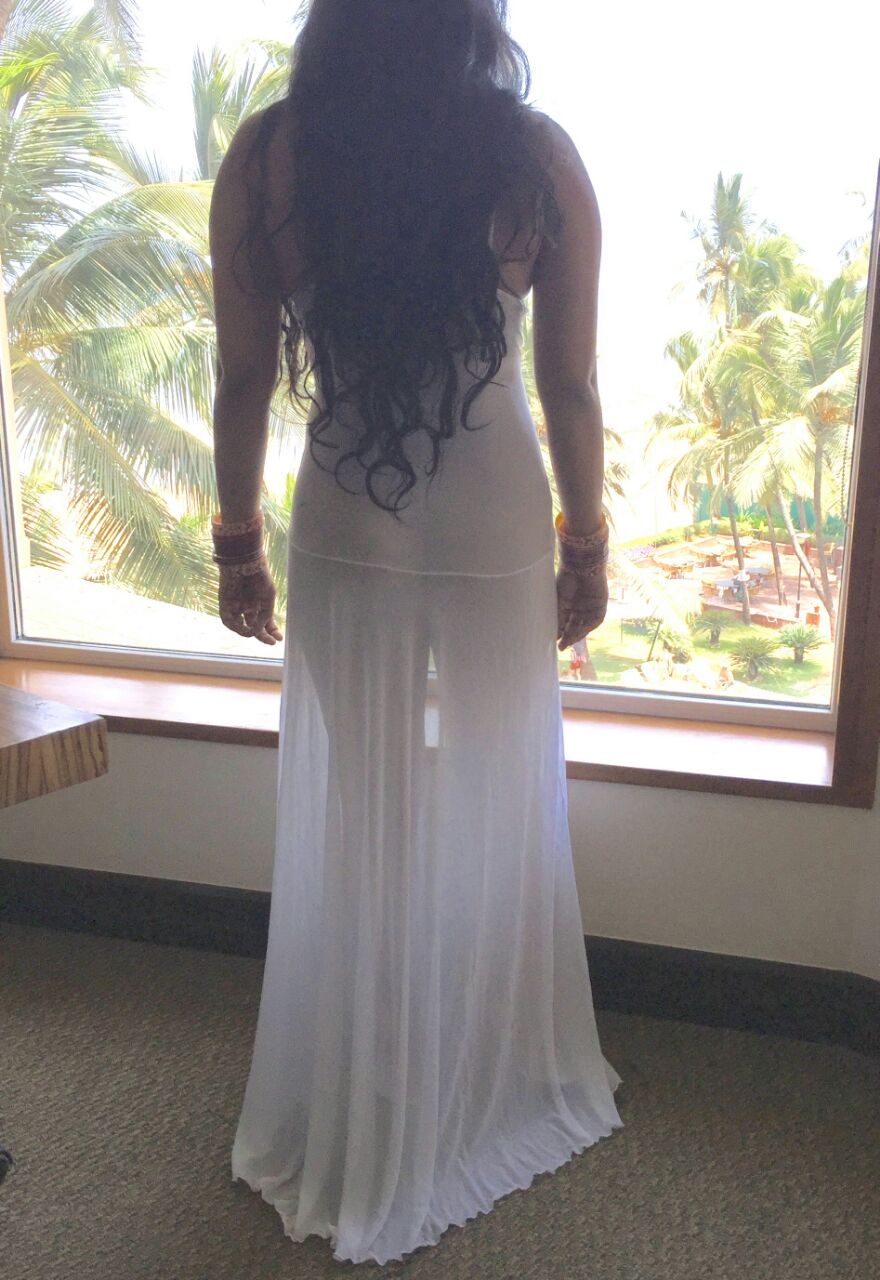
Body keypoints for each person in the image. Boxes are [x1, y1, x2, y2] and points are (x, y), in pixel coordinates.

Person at [209, 0, 623, 1265]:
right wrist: (588, 544)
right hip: (494, 508)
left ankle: (374, 1078)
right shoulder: (534, 158)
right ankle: (478, 1073)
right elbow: (569, 385)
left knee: (367, 811)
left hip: (346, 509)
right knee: (500, 796)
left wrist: (237, 542)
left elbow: (240, 379)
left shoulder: (270, 156)